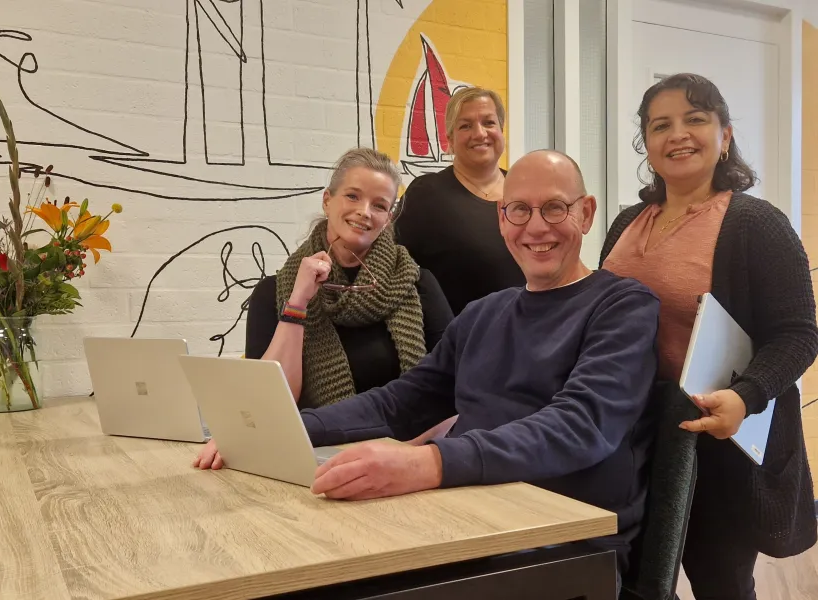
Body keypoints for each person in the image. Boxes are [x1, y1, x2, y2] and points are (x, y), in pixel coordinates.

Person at [196, 149, 662, 579]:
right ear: (501, 219)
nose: (536, 227)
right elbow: (400, 403)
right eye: (519, 210)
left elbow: (581, 425)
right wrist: (281, 428)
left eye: (555, 208)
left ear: (586, 213)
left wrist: (428, 463)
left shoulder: (623, 306)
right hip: (468, 521)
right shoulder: (484, 314)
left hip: (567, 547)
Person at [600, 73, 818, 600]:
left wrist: (745, 397)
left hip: (716, 439)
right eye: (661, 125)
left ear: (725, 136)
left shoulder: (757, 224)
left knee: (721, 583)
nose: (678, 134)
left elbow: (798, 334)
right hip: (633, 435)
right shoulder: (627, 222)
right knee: (637, 583)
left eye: (695, 119)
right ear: (646, 144)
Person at [194, 147, 453, 466]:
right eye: (353, 196)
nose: (364, 212)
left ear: (388, 218)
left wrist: (407, 452)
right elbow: (270, 403)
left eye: (379, 205)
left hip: (404, 458)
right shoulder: (273, 292)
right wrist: (297, 304)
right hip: (310, 459)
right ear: (327, 200)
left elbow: (452, 389)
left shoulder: (417, 284)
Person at [395, 86, 526, 317]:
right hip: (455, 335)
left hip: (528, 330)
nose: (480, 133)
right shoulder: (425, 195)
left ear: (501, 131)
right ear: (450, 140)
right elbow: (393, 267)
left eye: (489, 123)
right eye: (466, 126)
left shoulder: (526, 192)